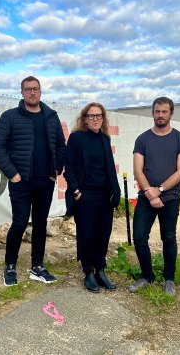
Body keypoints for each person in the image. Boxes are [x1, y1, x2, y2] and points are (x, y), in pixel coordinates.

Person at [0, 76, 66, 287]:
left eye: (35, 89)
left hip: (45, 180)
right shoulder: (10, 117)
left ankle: (37, 267)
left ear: (40, 92)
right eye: (27, 89)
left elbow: (61, 146)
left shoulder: (51, 117)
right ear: (22, 92)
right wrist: (13, 174)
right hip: (21, 181)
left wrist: (56, 170)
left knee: (41, 223)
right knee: (20, 222)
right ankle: (10, 266)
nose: (32, 93)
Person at [128, 97, 180, 297]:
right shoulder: (143, 139)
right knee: (139, 237)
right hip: (146, 197)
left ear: (171, 113)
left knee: (168, 238)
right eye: (157, 111)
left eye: (164, 112)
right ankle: (147, 276)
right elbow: (138, 170)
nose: (160, 115)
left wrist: (160, 190)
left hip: (170, 197)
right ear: (153, 113)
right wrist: (150, 192)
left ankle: (169, 279)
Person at [64, 103, 121, 292]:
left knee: (103, 234)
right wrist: (76, 191)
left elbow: (109, 168)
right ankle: (88, 271)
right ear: (85, 119)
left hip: (105, 195)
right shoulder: (76, 138)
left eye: (99, 116)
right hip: (85, 195)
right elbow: (69, 168)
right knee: (87, 234)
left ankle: (101, 270)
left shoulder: (104, 139)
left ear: (103, 118)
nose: (95, 119)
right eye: (91, 116)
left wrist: (115, 191)